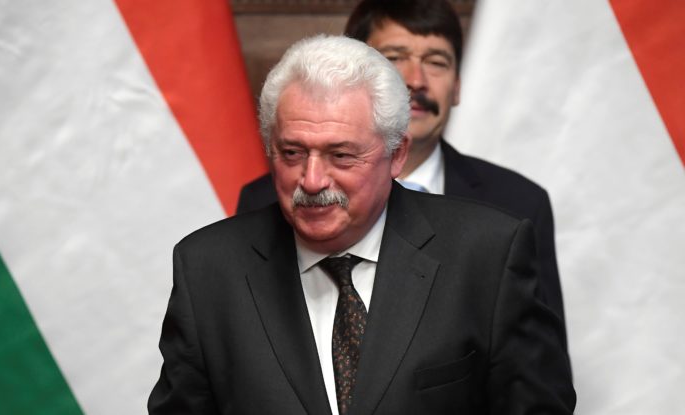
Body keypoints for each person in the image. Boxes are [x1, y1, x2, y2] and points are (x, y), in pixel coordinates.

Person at [149, 35, 574, 414]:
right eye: (292, 153)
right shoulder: (208, 270)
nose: (312, 181)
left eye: (341, 155)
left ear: (397, 154)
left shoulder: (488, 256)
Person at [236, 0, 567, 327]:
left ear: (457, 86)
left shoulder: (516, 205)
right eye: (394, 58)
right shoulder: (267, 199)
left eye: (436, 62)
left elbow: (537, 354)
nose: (416, 80)